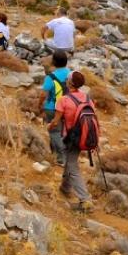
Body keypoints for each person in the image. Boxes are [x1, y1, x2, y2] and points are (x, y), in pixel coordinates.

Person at [48, 71, 93, 211]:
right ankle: (65, 188)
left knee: (72, 166)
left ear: (69, 83)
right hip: (86, 136)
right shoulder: (87, 98)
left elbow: (56, 121)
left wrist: (49, 126)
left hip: (72, 137)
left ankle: (85, 201)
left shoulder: (64, 100)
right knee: (70, 161)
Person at [40, 49, 71, 166]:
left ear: (53, 62)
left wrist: (40, 105)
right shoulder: (71, 74)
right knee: (62, 131)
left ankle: (62, 158)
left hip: (52, 108)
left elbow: (43, 94)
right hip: (68, 107)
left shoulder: (50, 77)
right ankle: (55, 154)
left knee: (54, 131)